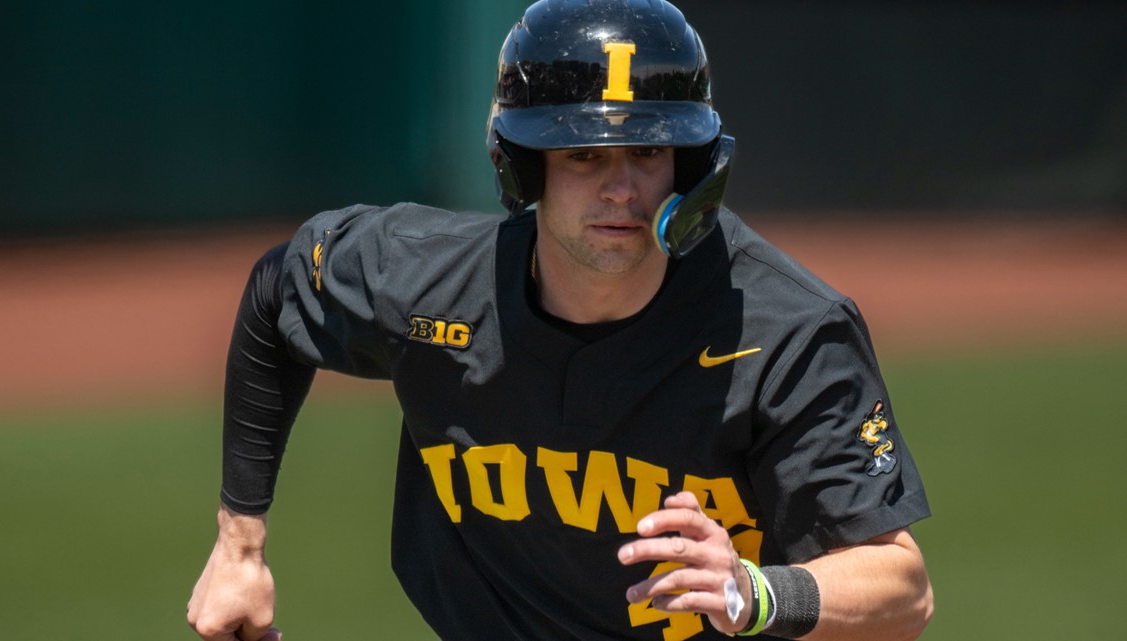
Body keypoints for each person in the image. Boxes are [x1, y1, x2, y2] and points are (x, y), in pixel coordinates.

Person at [187, 1, 934, 640]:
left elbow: (903, 584)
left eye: (647, 151)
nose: (621, 188)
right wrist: (239, 548)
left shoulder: (788, 332)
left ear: (692, 165)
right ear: (523, 166)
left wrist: (756, 590)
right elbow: (277, 292)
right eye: (582, 153)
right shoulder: (425, 283)